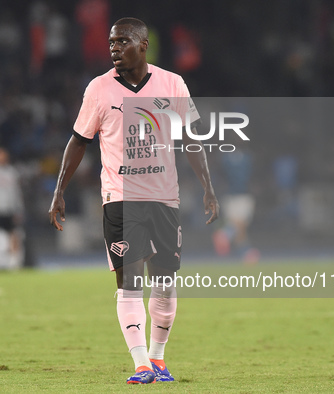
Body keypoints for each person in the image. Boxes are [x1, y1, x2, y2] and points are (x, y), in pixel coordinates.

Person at [48, 18, 219, 384]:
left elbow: (191, 138)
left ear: (142, 46)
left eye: (121, 41)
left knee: (165, 282)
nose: (113, 48)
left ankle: (158, 358)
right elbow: (79, 139)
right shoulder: (98, 89)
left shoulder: (172, 83)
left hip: (163, 198)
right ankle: (140, 363)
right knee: (129, 282)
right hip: (120, 197)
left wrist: (207, 186)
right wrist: (59, 189)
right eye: (111, 42)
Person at [212, 146, 260, 264]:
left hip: (243, 194)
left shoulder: (247, 157)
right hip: (232, 195)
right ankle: (231, 240)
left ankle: (240, 248)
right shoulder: (225, 159)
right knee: (240, 224)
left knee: (241, 226)